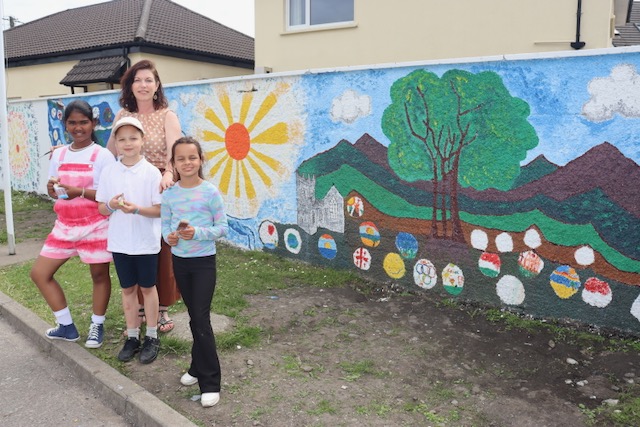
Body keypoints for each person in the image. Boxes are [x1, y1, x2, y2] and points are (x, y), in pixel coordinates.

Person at [31, 99, 115, 349]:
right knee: (39, 274)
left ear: (93, 124)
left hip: (96, 224)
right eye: (72, 123)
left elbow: (108, 196)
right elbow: (56, 192)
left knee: (99, 275)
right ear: (65, 125)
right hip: (65, 225)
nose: (78, 128)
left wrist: (79, 191)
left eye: (83, 122)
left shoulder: (103, 155)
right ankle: (66, 326)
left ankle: (97, 324)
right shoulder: (59, 153)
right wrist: (52, 190)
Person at [106, 59, 181, 334]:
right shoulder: (123, 114)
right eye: (138, 80)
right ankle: (137, 309)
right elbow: (109, 152)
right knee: (131, 244)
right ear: (130, 85)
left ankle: (160, 310)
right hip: (129, 184)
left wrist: (169, 174)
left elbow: (175, 150)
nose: (143, 85)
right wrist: (68, 148)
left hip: (159, 183)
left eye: (149, 79)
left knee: (159, 248)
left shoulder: (167, 115)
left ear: (157, 85)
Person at [161, 137, 228, 407]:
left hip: (203, 263)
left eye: (192, 157)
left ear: (201, 160)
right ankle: (196, 367)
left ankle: (210, 382)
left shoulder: (210, 192)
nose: (187, 163)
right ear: (174, 164)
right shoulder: (169, 195)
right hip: (181, 262)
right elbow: (166, 227)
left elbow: (222, 228)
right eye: (181, 159)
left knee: (200, 319)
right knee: (193, 317)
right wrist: (171, 238)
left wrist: (197, 233)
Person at [97, 117, 162, 364]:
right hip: (120, 241)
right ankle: (132, 336)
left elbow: (159, 210)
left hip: (146, 241)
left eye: (133, 138)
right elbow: (102, 208)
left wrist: (136, 210)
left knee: (147, 287)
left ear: (142, 141)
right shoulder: (109, 171)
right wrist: (112, 205)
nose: (127, 143)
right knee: (128, 289)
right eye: (121, 139)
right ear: (114, 142)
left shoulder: (151, 172)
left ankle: (152, 335)